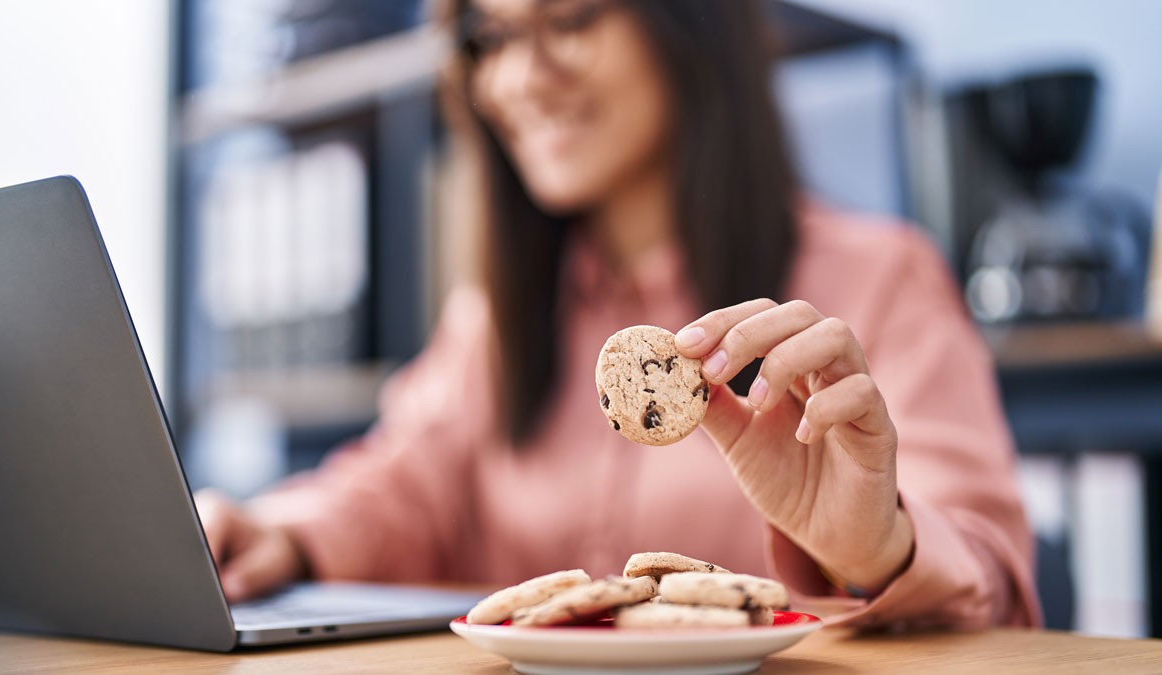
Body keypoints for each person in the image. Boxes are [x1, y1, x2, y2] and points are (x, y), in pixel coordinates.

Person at [195, 0, 1041, 629]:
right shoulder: (495, 319)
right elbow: (404, 480)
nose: (521, 77)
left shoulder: (882, 277)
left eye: (568, 19)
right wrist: (283, 532)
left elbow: (995, 578)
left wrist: (874, 545)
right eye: (489, 39)